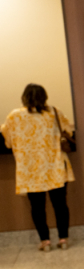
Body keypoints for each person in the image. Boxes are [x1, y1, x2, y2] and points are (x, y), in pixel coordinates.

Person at [1, 84, 74, 251]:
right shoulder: (54, 112)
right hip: (54, 166)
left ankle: (45, 241)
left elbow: (8, 141)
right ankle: (63, 239)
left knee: (37, 207)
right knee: (60, 204)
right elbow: (67, 131)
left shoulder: (14, 116)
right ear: (45, 96)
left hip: (30, 169)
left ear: (24, 97)